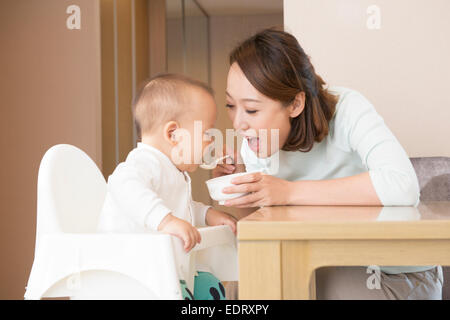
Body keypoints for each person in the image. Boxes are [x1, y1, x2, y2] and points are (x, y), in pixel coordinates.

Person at [213, 28, 443, 299]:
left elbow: (402, 186)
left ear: (295, 103)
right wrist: (243, 191)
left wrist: (288, 192)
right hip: (316, 264)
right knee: (246, 289)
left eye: (251, 109)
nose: (239, 123)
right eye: (230, 105)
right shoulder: (254, 140)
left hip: (392, 272)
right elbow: (260, 228)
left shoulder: (347, 109)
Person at [98, 73, 237, 300]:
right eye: (207, 134)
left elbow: (182, 205)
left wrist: (207, 214)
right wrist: (167, 221)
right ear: (173, 134)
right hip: (132, 275)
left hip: (164, 270)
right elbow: (123, 185)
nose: (211, 141)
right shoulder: (144, 162)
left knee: (210, 286)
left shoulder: (172, 170)